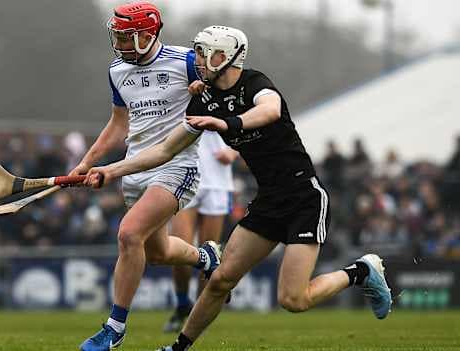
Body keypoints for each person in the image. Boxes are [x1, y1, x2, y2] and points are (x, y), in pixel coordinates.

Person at [84, 25, 392, 351]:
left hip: (304, 198)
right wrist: (109, 171)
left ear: (228, 57)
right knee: (219, 281)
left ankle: (361, 271)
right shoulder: (202, 101)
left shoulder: (255, 83)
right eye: (199, 52)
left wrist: (229, 124)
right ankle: (178, 349)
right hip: (268, 202)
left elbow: (270, 110)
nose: (199, 59)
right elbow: (162, 152)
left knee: (292, 299)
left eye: (207, 53)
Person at [72, 3, 222, 350]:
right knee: (155, 252)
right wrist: (87, 161)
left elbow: (219, 98)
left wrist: (205, 92)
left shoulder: (186, 61)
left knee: (128, 234)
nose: (120, 44)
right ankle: (207, 258)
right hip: (134, 170)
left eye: (126, 37)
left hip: (177, 167)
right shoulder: (117, 70)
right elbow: (119, 123)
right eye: (118, 37)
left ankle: (114, 329)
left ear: (147, 34)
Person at [163, 131, 238, 333]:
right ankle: (181, 304)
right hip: (184, 175)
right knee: (179, 248)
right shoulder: (184, 97)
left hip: (217, 182)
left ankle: (197, 316)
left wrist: (233, 151)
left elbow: (248, 126)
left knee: (210, 253)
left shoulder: (229, 99)